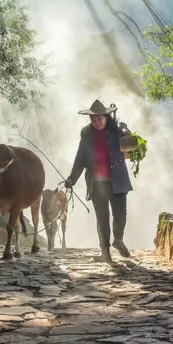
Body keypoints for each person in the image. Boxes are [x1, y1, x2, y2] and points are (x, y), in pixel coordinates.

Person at [62, 99, 135, 263]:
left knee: (120, 216)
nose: (97, 123)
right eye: (93, 120)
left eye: (100, 119)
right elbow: (80, 157)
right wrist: (72, 178)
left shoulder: (117, 130)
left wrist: (127, 132)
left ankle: (118, 239)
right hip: (97, 183)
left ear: (106, 117)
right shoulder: (86, 133)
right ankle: (105, 250)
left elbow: (131, 150)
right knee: (102, 218)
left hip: (117, 180)